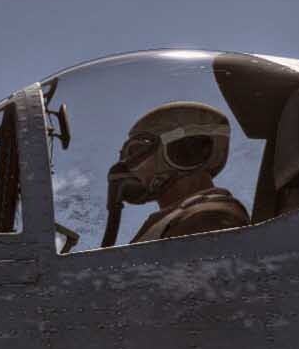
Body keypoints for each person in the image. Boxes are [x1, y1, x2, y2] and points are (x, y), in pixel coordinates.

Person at [106, 101, 249, 245]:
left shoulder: (208, 218)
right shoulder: (175, 219)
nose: (124, 166)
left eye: (136, 150)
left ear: (182, 152)